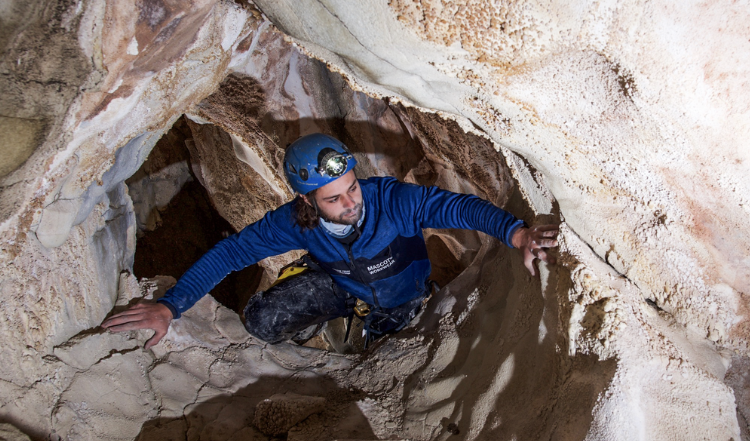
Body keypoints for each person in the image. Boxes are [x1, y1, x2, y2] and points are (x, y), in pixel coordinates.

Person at [102, 133, 558, 349]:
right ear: (307, 201)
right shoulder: (292, 222)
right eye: (334, 198)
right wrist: (170, 306)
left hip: (401, 297)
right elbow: (231, 253)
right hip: (342, 284)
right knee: (262, 320)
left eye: (352, 187)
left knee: (385, 351)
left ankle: (374, 317)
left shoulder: (392, 201)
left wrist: (515, 231)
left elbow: (455, 207)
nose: (351, 203)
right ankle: (320, 293)